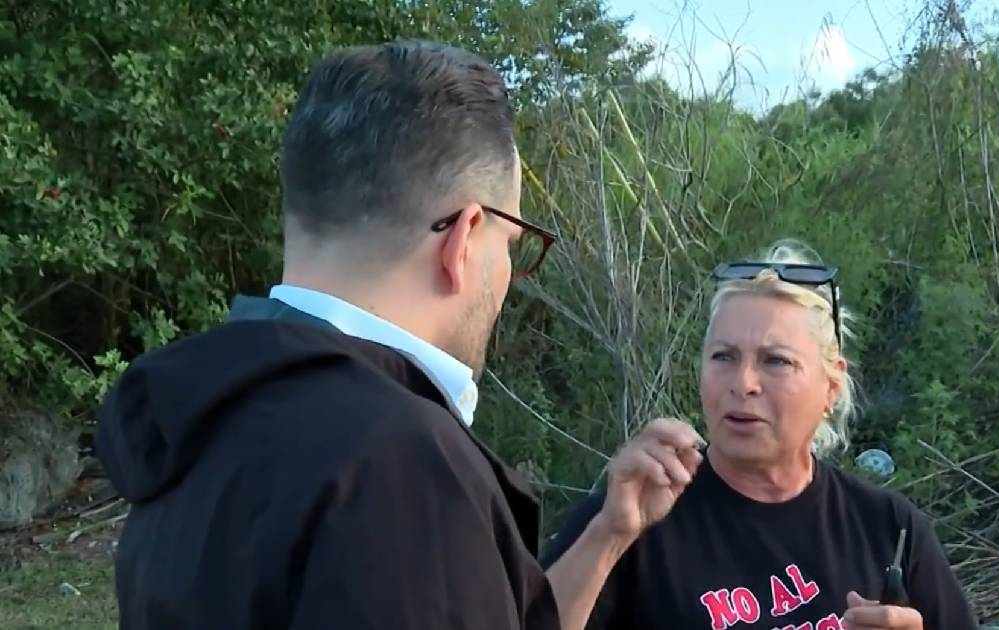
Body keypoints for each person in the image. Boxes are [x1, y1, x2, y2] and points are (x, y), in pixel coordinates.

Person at [94, 39, 703, 630]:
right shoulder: (401, 472)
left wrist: (608, 533)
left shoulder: (203, 411)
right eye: (512, 242)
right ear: (463, 239)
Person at [541, 240, 979, 630]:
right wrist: (609, 535)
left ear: (831, 385)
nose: (743, 383)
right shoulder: (634, 515)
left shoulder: (888, 528)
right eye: (723, 356)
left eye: (776, 361)